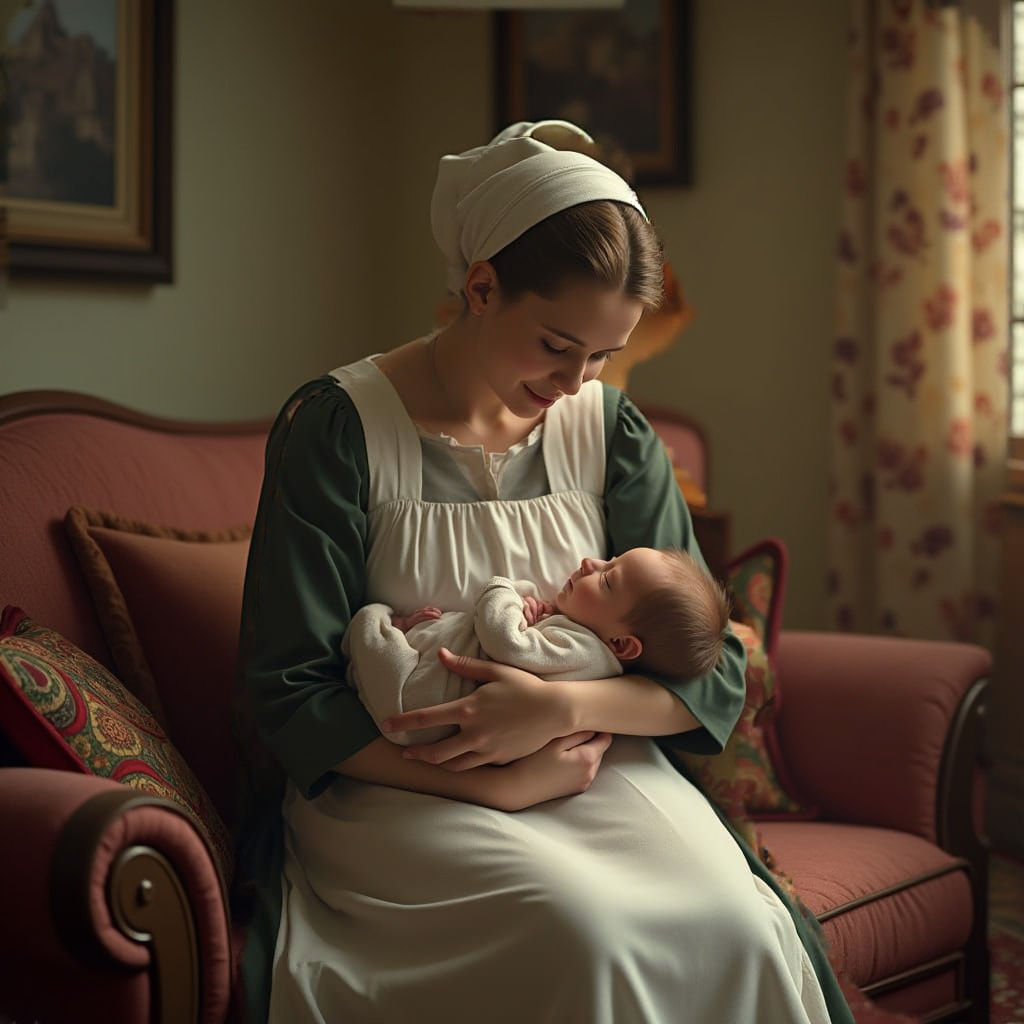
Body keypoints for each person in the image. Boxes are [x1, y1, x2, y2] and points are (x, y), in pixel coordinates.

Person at [236, 119, 854, 1023]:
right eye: (558, 346)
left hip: (594, 767)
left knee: (734, 923)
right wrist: (488, 780)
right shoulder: (339, 430)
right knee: (583, 931)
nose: (577, 382)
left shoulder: (611, 434)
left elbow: (708, 672)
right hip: (398, 787)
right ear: (480, 287)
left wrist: (561, 708)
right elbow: (291, 696)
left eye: (604, 355)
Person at [345, 547, 731, 751]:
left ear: (620, 644)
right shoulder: (580, 645)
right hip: (427, 681)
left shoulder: (585, 653)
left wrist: (508, 591)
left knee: (367, 622)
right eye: (610, 559)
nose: (590, 562)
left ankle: (381, 629)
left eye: (608, 579)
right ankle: (399, 632)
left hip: (411, 697)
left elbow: (503, 639)